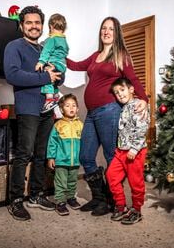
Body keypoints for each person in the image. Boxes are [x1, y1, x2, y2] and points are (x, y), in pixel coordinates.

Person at [66, 16, 149, 216]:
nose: (106, 31)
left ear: (116, 32)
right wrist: (58, 53)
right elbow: (76, 65)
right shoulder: (95, 55)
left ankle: (114, 202)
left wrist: (144, 98)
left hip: (110, 110)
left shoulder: (120, 55)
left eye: (111, 29)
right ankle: (99, 198)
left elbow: (133, 79)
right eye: (104, 28)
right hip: (92, 114)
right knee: (85, 155)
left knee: (112, 157)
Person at [4, 5, 62, 221]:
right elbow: (13, 75)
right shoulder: (14, 46)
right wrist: (46, 77)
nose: (33, 26)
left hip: (47, 109)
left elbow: (57, 75)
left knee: (41, 154)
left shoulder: (45, 49)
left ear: (42, 26)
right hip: (28, 108)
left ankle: (36, 195)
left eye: (37, 22)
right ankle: (16, 200)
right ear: (22, 26)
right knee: (24, 154)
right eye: (29, 22)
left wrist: (57, 74)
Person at [106, 77, 150, 225]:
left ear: (131, 89)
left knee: (135, 182)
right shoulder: (123, 107)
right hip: (121, 151)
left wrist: (135, 148)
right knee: (111, 175)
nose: (119, 94)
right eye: (116, 92)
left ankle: (137, 210)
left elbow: (142, 128)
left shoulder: (139, 105)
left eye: (122, 90)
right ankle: (121, 205)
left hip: (134, 152)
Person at [47, 94, 83, 216]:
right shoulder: (58, 125)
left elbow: (85, 142)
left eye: (74, 105)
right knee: (61, 182)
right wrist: (51, 157)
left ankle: (71, 198)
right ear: (62, 110)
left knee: (72, 181)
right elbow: (52, 142)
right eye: (67, 106)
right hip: (61, 160)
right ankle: (60, 202)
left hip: (75, 161)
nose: (71, 108)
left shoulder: (81, 125)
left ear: (77, 109)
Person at [35, 13, 69, 114]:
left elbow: (47, 51)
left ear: (50, 26)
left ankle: (49, 99)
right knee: (54, 79)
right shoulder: (63, 40)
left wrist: (41, 62)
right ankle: (56, 95)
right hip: (62, 66)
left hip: (54, 63)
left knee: (47, 77)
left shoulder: (52, 39)